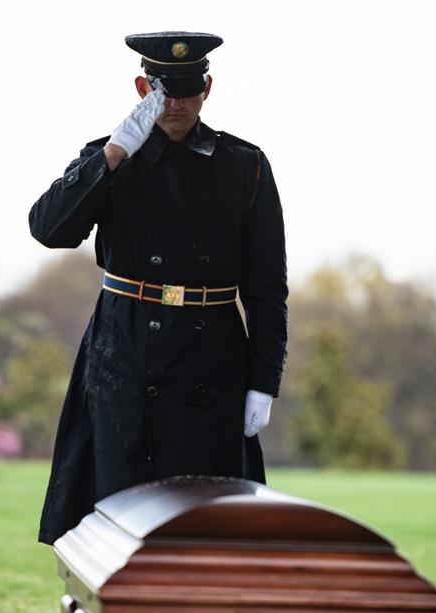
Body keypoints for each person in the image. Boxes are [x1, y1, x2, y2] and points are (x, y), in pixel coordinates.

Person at [29, 31, 288, 545]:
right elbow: (49, 229)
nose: (176, 105)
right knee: (113, 516)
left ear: (207, 88)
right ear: (141, 87)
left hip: (209, 360)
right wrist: (112, 154)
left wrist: (264, 378)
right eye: (164, 92)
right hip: (123, 356)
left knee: (203, 521)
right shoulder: (110, 158)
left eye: (188, 92)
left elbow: (266, 286)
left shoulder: (246, 164)